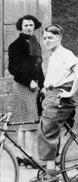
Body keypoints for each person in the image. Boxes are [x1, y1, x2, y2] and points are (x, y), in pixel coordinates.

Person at [38, 24, 78, 182]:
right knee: (46, 129)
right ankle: (49, 168)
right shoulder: (54, 55)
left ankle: (51, 174)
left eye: (50, 38)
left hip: (59, 98)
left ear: (59, 38)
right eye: (44, 38)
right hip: (52, 95)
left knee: (47, 131)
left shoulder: (65, 53)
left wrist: (71, 92)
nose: (46, 41)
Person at [7, 15, 45, 167]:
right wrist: (29, 81)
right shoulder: (16, 45)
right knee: (29, 123)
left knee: (24, 122)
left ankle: (21, 156)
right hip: (24, 86)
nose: (29, 27)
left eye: (31, 25)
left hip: (34, 86)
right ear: (20, 27)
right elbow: (13, 68)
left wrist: (41, 85)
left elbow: (39, 67)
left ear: (34, 26)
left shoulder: (35, 43)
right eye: (26, 25)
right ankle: (28, 156)